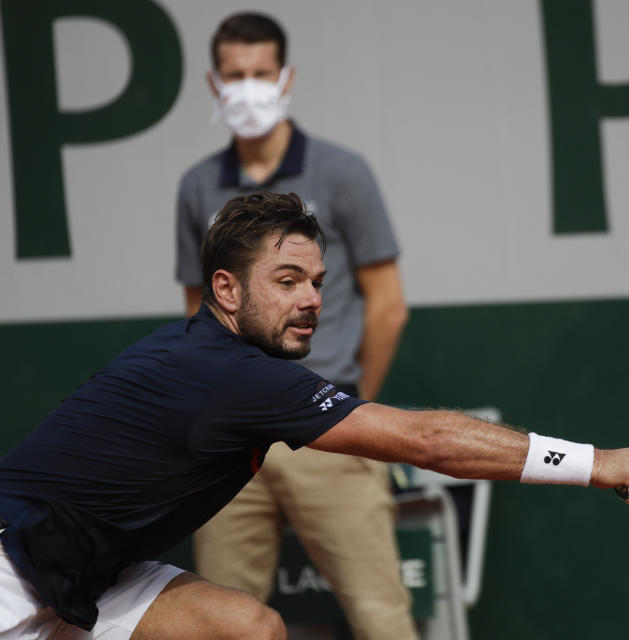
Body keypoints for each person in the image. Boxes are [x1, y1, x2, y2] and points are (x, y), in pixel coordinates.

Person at [0, 191, 629, 639]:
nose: (312, 299)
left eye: (318, 282)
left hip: (81, 572)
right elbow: (430, 441)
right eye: (287, 280)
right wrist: (599, 462)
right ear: (227, 290)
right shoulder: (229, 376)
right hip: (11, 567)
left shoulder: (219, 360)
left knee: (248, 629)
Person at [174, 13, 412, 638]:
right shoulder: (198, 186)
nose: (248, 87)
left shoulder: (343, 172)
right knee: (220, 624)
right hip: (230, 441)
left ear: (286, 78)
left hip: (328, 430)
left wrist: (349, 405)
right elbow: (198, 312)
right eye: (235, 75)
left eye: (260, 73)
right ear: (213, 83)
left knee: (382, 619)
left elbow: (387, 304)